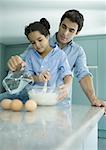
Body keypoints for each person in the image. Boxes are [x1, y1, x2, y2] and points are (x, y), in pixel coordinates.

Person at [7, 9, 106, 110]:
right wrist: (15, 62)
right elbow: (21, 62)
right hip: (33, 100)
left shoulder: (78, 52)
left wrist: (93, 99)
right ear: (59, 24)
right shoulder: (40, 41)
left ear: (77, 32)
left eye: (71, 30)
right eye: (64, 27)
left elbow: (83, 74)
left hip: (59, 104)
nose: (65, 33)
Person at [0, 18, 72, 105]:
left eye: (40, 40)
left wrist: (67, 86)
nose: (37, 45)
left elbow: (67, 74)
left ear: (47, 36)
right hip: (31, 96)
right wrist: (38, 78)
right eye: (33, 42)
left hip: (49, 97)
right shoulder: (30, 54)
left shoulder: (60, 55)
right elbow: (28, 77)